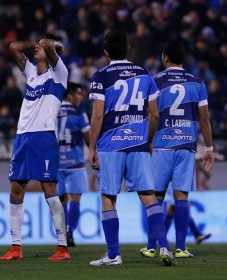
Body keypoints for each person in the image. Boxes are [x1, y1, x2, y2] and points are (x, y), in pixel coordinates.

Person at [88, 30, 175, 266]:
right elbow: (155, 114)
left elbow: (97, 116)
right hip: (137, 143)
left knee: (108, 197)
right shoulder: (144, 74)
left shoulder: (101, 76)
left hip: (110, 144)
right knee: (148, 196)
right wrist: (147, 140)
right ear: (128, 49)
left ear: (106, 51)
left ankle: (114, 255)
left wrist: (92, 147)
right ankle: (165, 248)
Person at [0, 35, 70, 261]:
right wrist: (35, 44)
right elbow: (13, 47)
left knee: (49, 188)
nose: (37, 49)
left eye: (40, 48)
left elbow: (51, 50)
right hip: (22, 137)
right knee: (16, 188)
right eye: (36, 48)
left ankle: (62, 247)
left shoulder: (59, 75)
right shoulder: (31, 73)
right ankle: (15, 247)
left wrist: (49, 45)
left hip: (44, 137)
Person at [141, 40, 214, 258]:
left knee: (156, 197)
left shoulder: (155, 81)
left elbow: (151, 115)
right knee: (182, 196)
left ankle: (152, 247)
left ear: (165, 58)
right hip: (186, 145)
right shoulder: (197, 82)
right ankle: (181, 248)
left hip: (162, 145)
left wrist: (148, 141)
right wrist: (209, 147)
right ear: (184, 59)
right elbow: (204, 118)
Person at [57, 82, 90, 247]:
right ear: (69, 95)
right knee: (75, 198)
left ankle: (61, 234)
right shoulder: (78, 112)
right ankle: (70, 232)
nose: (81, 97)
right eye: (78, 93)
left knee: (60, 199)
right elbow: (88, 138)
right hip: (75, 162)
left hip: (56, 163)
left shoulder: (53, 110)